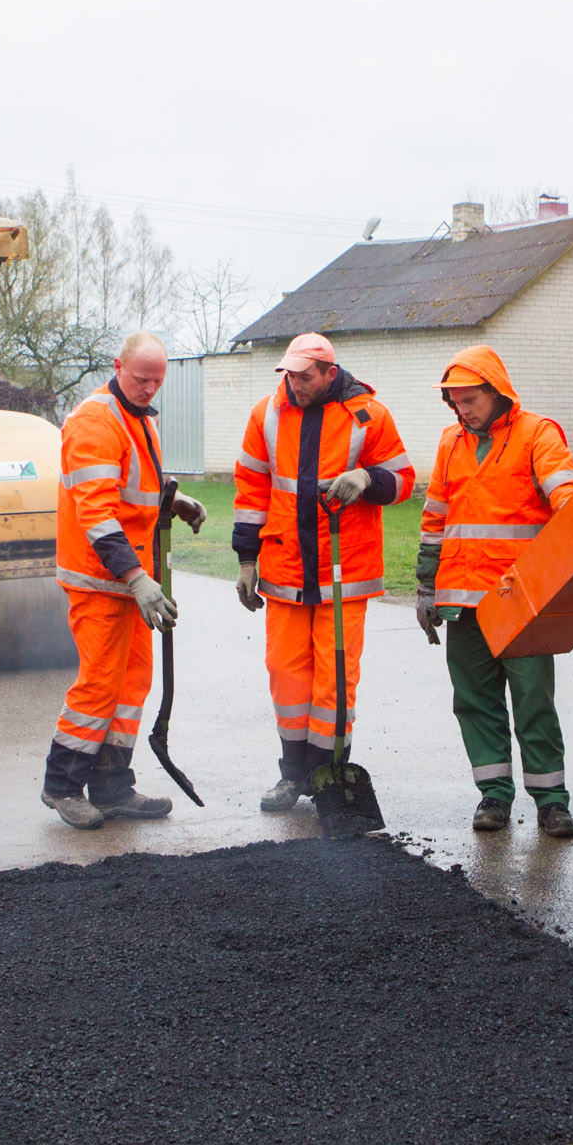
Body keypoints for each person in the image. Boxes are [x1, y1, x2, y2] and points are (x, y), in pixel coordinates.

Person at [231, 332, 414, 811]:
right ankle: (293, 776)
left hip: (343, 569)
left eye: (304, 376)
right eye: (289, 375)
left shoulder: (368, 415)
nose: (295, 384)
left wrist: (368, 478)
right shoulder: (265, 414)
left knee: (334, 680)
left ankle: (327, 773)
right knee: (286, 675)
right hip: (286, 567)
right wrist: (247, 560)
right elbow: (251, 491)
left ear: (330, 373)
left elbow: (403, 483)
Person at [416, 345, 573, 838]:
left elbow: (568, 496)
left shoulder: (538, 434)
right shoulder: (451, 443)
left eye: (469, 399)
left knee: (533, 699)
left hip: (520, 598)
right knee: (474, 700)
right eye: (454, 401)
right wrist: (426, 588)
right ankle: (493, 795)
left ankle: (552, 801)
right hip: (463, 601)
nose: (461, 409)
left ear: (496, 392)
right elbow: (434, 524)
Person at [42, 332, 205, 829]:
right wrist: (136, 578)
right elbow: (97, 514)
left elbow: (135, 486)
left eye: (158, 380)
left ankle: (113, 787)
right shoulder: (95, 420)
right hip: (100, 580)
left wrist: (171, 501)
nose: (149, 388)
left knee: (131, 684)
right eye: (141, 378)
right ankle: (62, 787)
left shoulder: (137, 418)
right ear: (118, 366)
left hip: (129, 581)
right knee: (98, 685)